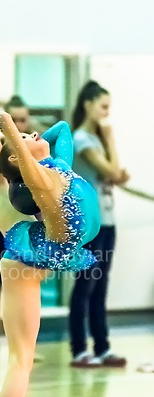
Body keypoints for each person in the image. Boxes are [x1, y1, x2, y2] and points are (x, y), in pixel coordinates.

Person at [0, 78, 100, 397]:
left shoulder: (53, 169)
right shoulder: (44, 183)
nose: (34, 133)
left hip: (30, 244)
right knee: (21, 359)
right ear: (24, 157)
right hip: (29, 258)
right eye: (27, 136)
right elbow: (12, 146)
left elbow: (54, 133)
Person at [69, 81, 130, 368]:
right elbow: (113, 171)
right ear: (88, 105)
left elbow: (115, 175)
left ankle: (102, 346)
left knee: (101, 284)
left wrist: (115, 172)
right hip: (88, 224)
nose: (107, 113)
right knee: (85, 284)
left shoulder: (95, 140)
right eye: (103, 106)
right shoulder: (82, 139)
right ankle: (79, 348)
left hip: (107, 220)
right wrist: (111, 137)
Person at [0, 95, 44, 362]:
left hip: (29, 222)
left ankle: (25, 342)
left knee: (30, 281)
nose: (20, 124)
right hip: (4, 220)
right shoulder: (1, 153)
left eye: (23, 119)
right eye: (15, 119)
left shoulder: (35, 157)